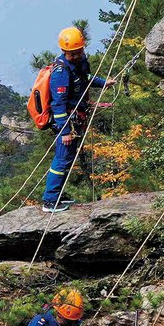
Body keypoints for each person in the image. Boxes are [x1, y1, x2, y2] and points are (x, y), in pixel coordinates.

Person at [41, 27, 116, 213]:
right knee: (61, 160)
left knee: (67, 159)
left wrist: (102, 82)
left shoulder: (79, 63)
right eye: (72, 53)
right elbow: (58, 105)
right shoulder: (60, 72)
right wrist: (64, 131)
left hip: (76, 117)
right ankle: (50, 200)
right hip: (68, 121)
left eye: (78, 52)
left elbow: (85, 78)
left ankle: (56, 194)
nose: (76, 55)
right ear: (63, 51)